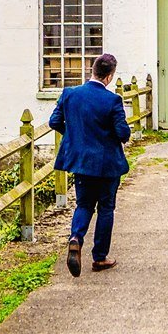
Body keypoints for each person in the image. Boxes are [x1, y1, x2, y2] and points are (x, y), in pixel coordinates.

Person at [49, 51, 131, 277]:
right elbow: (123, 133)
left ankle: (75, 238)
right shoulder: (112, 100)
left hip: (81, 163)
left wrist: (76, 136)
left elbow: (54, 121)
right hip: (107, 165)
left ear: (92, 71)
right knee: (106, 208)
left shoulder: (70, 94)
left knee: (84, 205)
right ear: (109, 77)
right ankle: (100, 257)